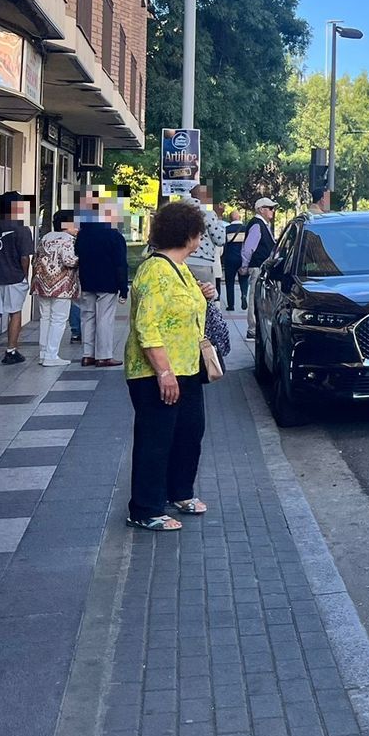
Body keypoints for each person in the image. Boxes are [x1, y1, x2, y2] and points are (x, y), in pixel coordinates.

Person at [125, 201, 212, 532]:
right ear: (187, 234)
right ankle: (145, 508)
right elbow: (147, 327)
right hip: (156, 372)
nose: (201, 239)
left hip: (187, 367)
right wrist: (164, 372)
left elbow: (184, 305)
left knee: (189, 432)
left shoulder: (180, 268)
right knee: (156, 439)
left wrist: (205, 294)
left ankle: (180, 492)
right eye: (198, 233)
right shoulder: (156, 271)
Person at [0, 192, 35, 366]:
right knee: (15, 312)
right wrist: (25, 276)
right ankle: (11, 351)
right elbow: (25, 257)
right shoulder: (22, 229)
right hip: (14, 277)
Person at [76, 189, 130, 368]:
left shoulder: (82, 234)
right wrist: (123, 288)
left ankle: (87, 355)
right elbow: (120, 264)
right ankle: (104, 356)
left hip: (86, 280)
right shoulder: (114, 236)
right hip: (108, 282)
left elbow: (77, 255)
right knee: (104, 319)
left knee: (87, 316)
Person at [32, 210, 81, 367]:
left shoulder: (46, 237)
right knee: (59, 319)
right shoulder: (68, 239)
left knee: (45, 318)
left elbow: (36, 259)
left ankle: (43, 353)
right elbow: (69, 261)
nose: (78, 227)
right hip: (62, 286)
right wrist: (83, 259)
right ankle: (51, 355)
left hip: (42, 284)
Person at [239, 197, 278, 339]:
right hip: (257, 266)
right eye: (270, 208)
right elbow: (248, 248)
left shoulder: (263, 225)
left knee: (260, 297)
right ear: (261, 209)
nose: (273, 211)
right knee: (255, 297)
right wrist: (245, 265)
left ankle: (257, 327)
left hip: (262, 267)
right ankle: (253, 328)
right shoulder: (257, 225)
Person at [184, 184, 226, 286]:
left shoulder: (179, 210)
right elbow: (220, 239)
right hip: (202, 261)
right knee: (207, 293)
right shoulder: (206, 212)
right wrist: (219, 219)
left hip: (181, 259)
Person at [221, 210, 248, 312]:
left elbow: (224, 245)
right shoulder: (246, 229)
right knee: (244, 279)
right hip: (242, 258)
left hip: (230, 259)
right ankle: (244, 294)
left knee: (230, 282)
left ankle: (231, 305)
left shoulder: (226, 229)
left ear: (230, 219)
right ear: (239, 217)